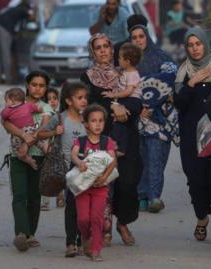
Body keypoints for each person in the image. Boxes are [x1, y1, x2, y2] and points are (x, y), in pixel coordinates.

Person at [80, 33, 143, 246]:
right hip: (101, 139)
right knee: (103, 185)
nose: (103, 50)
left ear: (112, 48)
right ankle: (104, 229)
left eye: (106, 46)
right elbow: (89, 105)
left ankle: (122, 223)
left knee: (128, 183)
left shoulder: (125, 72)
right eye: (98, 48)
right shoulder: (87, 77)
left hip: (127, 139)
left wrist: (125, 107)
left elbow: (137, 101)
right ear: (93, 52)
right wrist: (114, 106)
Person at [173, 27, 211, 244]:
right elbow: (179, 104)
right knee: (195, 180)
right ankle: (202, 217)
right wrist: (192, 83)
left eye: (199, 44)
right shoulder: (182, 72)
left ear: (206, 44)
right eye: (191, 45)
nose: (195, 49)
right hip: (191, 136)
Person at [1, 70, 55, 252]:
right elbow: (6, 123)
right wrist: (24, 136)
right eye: (34, 85)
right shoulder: (16, 102)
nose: (38, 89)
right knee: (19, 195)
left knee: (34, 196)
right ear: (27, 85)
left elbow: (43, 127)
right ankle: (21, 234)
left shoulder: (46, 107)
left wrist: (28, 141)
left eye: (42, 86)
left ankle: (31, 233)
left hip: (39, 157)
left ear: (46, 88)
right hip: (17, 157)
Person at [129, 24, 178, 213]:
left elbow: (169, 78)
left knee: (157, 158)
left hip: (159, 120)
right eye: (134, 37)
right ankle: (141, 196)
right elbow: (124, 87)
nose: (138, 40)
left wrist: (151, 101)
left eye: (141, 36)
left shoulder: (161, 56)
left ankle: (154, 196)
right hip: (136, 119)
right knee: (140, 158)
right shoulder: (127, 60)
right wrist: (139, 107)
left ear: (147, 37)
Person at [37, 82, 88, 258]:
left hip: (85, 168)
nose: (84, 101)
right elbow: (40, 134)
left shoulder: (88, 119)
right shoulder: (60, 118)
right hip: (66, 168)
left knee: (85, 208)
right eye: (79, 98)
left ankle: (82, 241)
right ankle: (71, 243)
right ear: (68, 100)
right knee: (72, 207)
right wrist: (54, 132)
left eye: (85, 98)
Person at [70, 104, 117, 262]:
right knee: (83, 219)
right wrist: (79, 163)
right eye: (93, 121)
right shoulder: (81, 141)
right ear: (86, 124)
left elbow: (112, 161)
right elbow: (74, 155)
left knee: (97, 218)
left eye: (101, 121)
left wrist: (104, 178)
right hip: (82, 187)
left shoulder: (107, 142)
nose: (98, 124)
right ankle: (85, 236)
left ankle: (96, 249)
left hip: (100, 187)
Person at [102, 42, 142, 157]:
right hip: (126, 100)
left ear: (127, 61)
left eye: (119, 58)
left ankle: (121, 147)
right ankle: (118, 146)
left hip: (133, 101)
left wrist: (114, 96)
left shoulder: (133, 74)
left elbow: (128, 91)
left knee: (120, 121)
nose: (117, 60)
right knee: (120, 123)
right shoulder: (124, 72)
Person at [0, 0, 32, 83]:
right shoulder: (21, 10)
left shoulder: (8, 9)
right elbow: (31, 17)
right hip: (3, 28)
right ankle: (7, 78)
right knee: (5, 53)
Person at [0, 88, 45, 170]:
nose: (5, 103)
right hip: (31, 129)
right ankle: (47, 151)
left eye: (6, 101)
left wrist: (5, 109)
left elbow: (3, 119)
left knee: (17, 150)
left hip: (18, 133)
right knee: (41, 142)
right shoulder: (27, 105)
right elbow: (39, 109)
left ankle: (28, 160)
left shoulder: (8, 110)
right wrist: (40, 109)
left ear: (12, 100)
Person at [40, 87, 63, 211]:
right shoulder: (44, 114)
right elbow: (43, 131)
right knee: (47, 174)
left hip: (58, 149)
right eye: (49, 99)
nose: (52, 101)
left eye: (55, 98)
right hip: (46, 147)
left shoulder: (60, 115)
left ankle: (60, 197)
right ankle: (45, 202)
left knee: (58, 174)